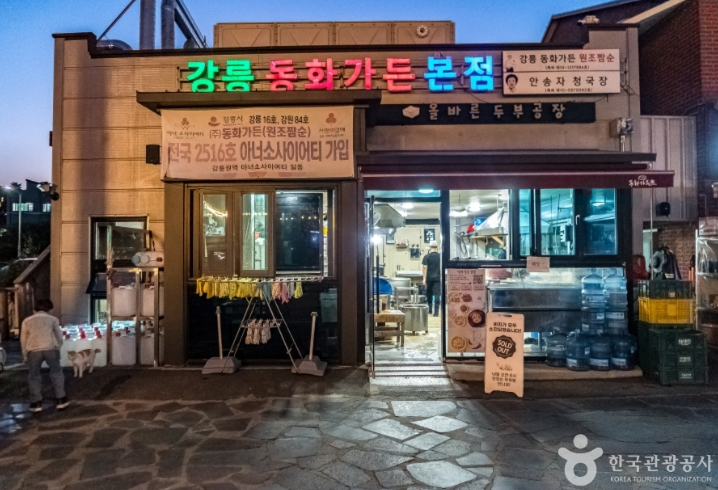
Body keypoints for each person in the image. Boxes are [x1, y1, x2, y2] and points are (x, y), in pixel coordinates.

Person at [20, 299, 69, 413]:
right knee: (56, 372)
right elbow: (59, 336)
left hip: (33, 350)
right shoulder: (53, 319)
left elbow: (23, 339)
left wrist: (25, 354)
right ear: (50, 309)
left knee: (34, 376)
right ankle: (60, 399)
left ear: (35, 309)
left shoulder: (26, 321)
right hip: (50, 348)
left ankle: (36, 402)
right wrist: (58, 348)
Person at [422, 240, 442, 317]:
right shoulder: (440, 256)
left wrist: (424, 279)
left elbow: (425, 267)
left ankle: (430, 310)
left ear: (430, 247)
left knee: (429, 293)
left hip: (429, 278)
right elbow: (441, 267)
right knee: (437, 294)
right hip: (437, 278)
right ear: (437, 247)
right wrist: (441, 277)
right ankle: (436, 312)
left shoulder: (426, 256)